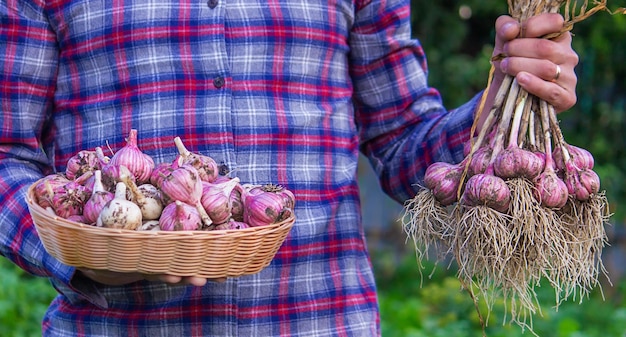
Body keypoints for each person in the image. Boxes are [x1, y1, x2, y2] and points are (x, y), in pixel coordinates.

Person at [0, 1, 578, 336]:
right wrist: (89, 256)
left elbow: (405, 139)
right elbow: (6, 157)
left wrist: (504, 101)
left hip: (320, 320)